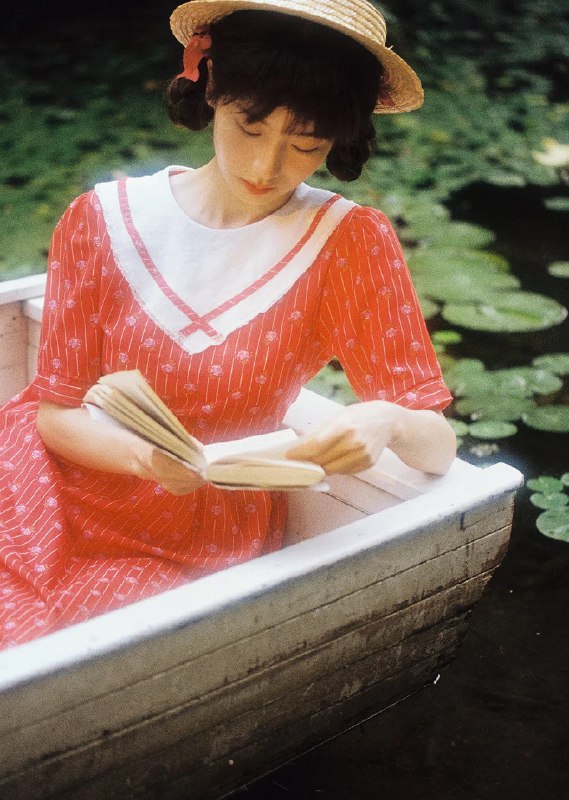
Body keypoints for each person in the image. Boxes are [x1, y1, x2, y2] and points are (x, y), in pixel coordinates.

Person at [0, 0, 456, 648]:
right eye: (250, 126)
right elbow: (56, 413)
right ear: (211, 86)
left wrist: (386, 419)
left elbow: (437, 446)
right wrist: (146, 458)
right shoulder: (102, 217)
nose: (266, 167)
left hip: (190, 536)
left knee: (55, 656)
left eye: (306, 143)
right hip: (37, 488)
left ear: (338, 137)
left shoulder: (347, 241)